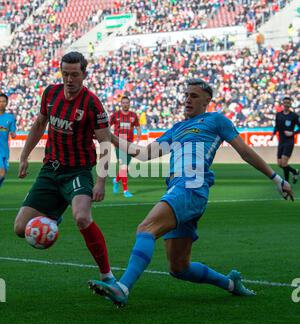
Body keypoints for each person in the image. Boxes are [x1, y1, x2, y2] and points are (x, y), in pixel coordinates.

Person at [88, 78, 294, 307]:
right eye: (186, 95)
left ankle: (122, 287)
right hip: (180, 189)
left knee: (146, 228)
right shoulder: (176, 129)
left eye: (194, 96)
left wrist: (276, 179)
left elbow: (244, 151)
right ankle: (231, 284)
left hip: (191, 186)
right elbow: (144, 154)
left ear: (207, 101)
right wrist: (111, 137)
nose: (188, 99)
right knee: (179, 267)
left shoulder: (215, 121)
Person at [14, 52, 115, 284]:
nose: (69, 79)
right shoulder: (50, 93)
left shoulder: (92, 104)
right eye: (65, 74)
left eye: (75, 74)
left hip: (77, 172)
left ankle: (106, 274)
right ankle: (54, 216)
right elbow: (40, 123)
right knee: (21, 228)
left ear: (84, 75)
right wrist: (24, 156)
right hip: (50, 169)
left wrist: (100, 181)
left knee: (81, 217)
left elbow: (105, 143)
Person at [110, 96, 141, 197]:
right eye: (123, 103)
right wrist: (110, 138)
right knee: (124, 167)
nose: (125, 104)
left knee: (125, 168)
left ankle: (116, 180)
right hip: (119, 143)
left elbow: (138, 127)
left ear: (129, 104)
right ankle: (125, 191)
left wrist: (138, 138)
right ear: (121, 104)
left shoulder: (133, 115)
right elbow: (107, 127)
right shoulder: (115, 115)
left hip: (129, 144)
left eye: (127, 103)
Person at [270, 96, 300, 184]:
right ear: (282, 104)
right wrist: (273, 135)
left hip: (289, 141)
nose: (286, 104)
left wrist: (293, 133)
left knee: (283, 163)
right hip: (281, 141)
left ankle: (286, 182)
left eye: (288, 103)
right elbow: (276, 126)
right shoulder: (278, 115)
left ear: (290, 104)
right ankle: (295, 172)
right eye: (285, 102)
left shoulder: (294, 116)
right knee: (280, 164)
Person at [0, 93, 16, 188]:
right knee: (1, 172)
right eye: (0, 101)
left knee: (3, 174)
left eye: (3, 101)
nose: (1, 103)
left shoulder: (10, 118)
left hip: (5, 150)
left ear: (6, 103)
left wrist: (13, 134)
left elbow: (13, 133)